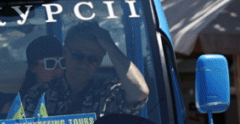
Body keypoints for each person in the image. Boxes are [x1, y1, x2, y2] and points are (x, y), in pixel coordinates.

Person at [20, 21, 148, 117]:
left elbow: (139, 92)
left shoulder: (108, 92)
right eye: (78, 56)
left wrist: (110, 47)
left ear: (100, 62)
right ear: (65, 53)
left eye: (93, 59)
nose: (84, 63)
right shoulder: (39, 94)